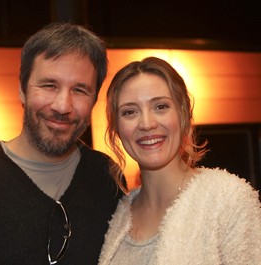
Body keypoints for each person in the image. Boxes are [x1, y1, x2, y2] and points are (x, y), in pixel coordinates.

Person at [0, 22, 124, 265]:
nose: (63, 106)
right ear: (22, 89)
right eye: (49, 85)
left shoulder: (107, 176)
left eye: (79, 90)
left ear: (94, 100)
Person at [98, 57, 261, 264]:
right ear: (117, 129)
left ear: (183, 114)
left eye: (160, 106)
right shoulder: (117, 214)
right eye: (130, 112)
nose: (147, 123)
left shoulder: (227, 199)